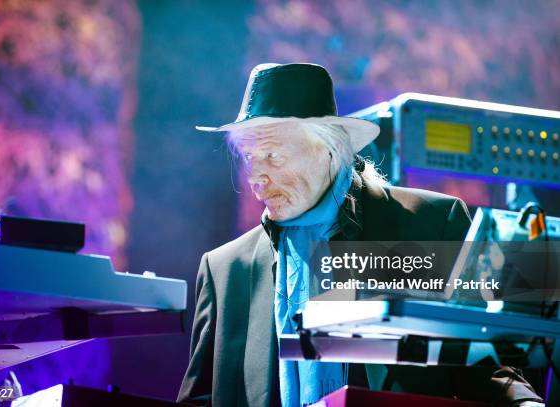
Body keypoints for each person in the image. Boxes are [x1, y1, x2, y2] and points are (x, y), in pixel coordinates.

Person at [177, 63, 544, 406]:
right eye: (249, 158)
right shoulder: (225, 270)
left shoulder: (432, 224)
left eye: (272, 156)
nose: (255, 179)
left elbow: (485, 363)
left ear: (330, 149)